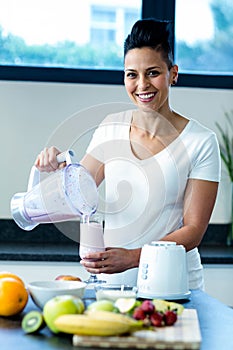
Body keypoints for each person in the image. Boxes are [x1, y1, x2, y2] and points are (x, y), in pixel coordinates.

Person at [35, 19, 221, 290]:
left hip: (175, 286)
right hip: (112, 286)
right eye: (132, 74)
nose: (142, 85)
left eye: (153, 72)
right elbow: (77, 192)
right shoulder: (111, 127)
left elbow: (193, 231)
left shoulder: (201, 142)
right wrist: (54, 164)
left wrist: (135, 257)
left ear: (173, 73)